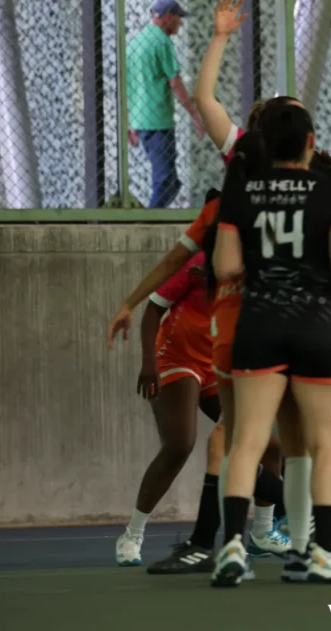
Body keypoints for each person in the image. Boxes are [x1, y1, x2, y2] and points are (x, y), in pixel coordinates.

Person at [209, 102, 331, 587]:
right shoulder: (330, 196)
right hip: (316, 328)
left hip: (259, 325)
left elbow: (226, 268)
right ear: (311, 144)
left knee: (246, 440)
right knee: (324, 444)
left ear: (265, 144)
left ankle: (232, 549)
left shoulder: (242, 193)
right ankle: (319, 556)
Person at [116, 218, 220, 566]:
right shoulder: (196, 265)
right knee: (180, 444)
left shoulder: (252, 267)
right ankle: (132, 534)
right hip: (176, 358)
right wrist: (149, 364)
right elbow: (152, 312)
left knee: (265, 443)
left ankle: (265, 530)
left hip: (217, 363)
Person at [126, 0, 205, 208]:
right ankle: (148, 221)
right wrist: (194, 113)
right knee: (165, 181)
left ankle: (153, 218)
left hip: (141, 120)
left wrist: (129, 121)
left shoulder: (136, 42)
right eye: (179, 18)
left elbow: (128, 84)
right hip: (158, 121)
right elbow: (175, 82)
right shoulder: (162, 42)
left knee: (170, 182)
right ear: (168, 17)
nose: (180, 24)